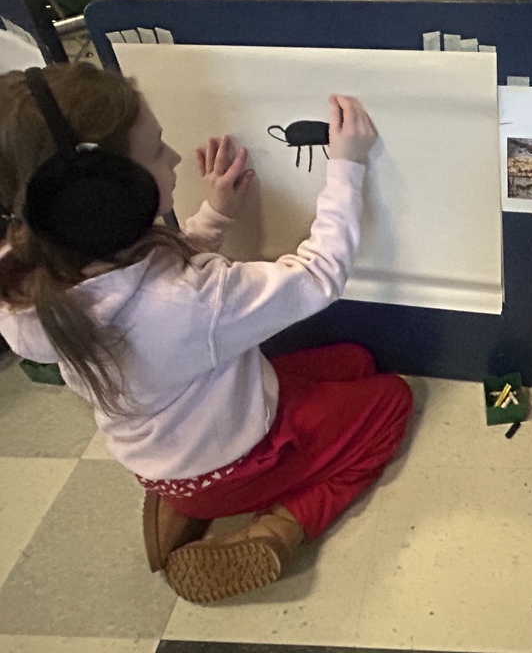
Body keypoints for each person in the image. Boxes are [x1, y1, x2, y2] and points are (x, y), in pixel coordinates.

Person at [0, 62, 412, 604]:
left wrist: (212, 219)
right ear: (102, 200)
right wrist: (347, 167)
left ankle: (181, 504)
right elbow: (318, 275)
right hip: (236, 462)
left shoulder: (29, 279)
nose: (173, 158)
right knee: (391, 401)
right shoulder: (194, 302)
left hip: (166, 455)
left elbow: (142, 285)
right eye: (155, 152)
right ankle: (279, 527)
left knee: (354, 362)